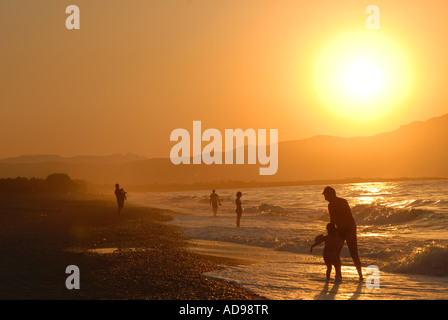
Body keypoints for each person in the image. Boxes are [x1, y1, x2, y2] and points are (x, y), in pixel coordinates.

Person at [322, 186, 363, 281]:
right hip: (339, 230)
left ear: (331, 194)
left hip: (350, 229)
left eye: (326, 195)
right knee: (336, 253)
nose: (325, 198)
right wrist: (331, 233)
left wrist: (348, 230)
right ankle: (338, 275)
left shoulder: (343, 202)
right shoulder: (330, 205)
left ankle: (361, 276)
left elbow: (349, 217)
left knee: (354, 253)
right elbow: (332, 220)